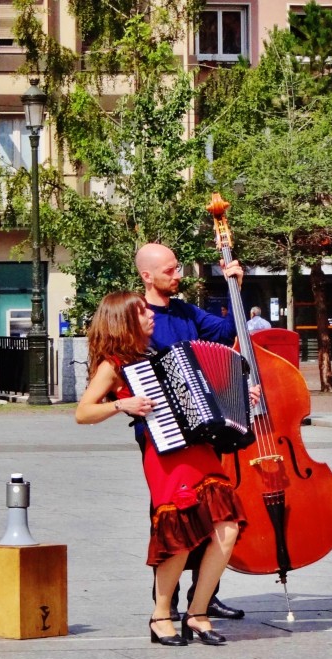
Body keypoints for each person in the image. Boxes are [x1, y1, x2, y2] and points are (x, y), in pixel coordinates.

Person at [75, 291, 247, 646]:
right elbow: (83, 412)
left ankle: (197, 613)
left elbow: (205, 396)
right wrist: (123, 404)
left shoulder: (163, 355)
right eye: (141, 313)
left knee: (227, 527)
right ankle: (161, 615)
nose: (150, 316)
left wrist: (243, 395)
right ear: (124, 320)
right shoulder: (115, 364)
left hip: (199, 449)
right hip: (165, 454)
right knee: (180, 536)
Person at [135, 241, 247, 621]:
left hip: (201, 431)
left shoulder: (185, 311)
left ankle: (205, 598)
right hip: (162, 435)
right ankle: (164, 604)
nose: (177, 274)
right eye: (169, 270)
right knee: (172, 520)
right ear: (147, 276)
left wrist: (235, 289)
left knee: (214, 514)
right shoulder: (137, 318)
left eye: (177, 266)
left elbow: (228, 331)